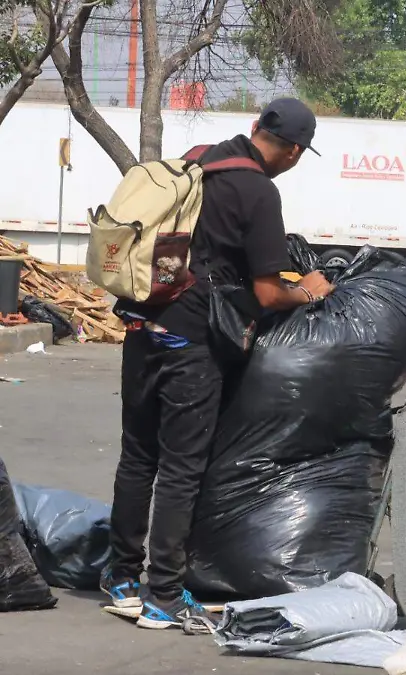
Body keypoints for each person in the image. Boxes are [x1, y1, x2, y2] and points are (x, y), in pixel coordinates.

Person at [100, 98, 334, 633]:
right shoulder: (258, 191)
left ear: (255, 128)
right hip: (192, 339)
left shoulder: (199, 160)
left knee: (138, 458)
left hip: (143, 322)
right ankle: (161, 597)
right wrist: (309, 293)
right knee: (182, 467)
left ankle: (121, 579)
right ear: (294, 152)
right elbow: (268, 292)